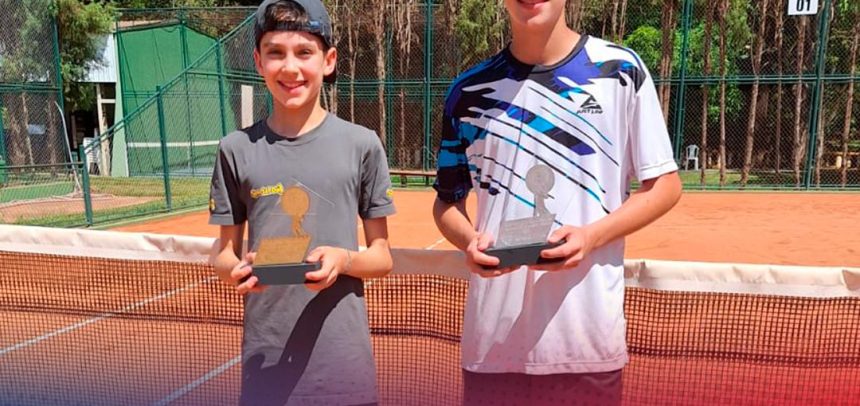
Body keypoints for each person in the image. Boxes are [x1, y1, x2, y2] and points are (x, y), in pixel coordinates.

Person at [432, 0, 682, 404]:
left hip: (586, 345)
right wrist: (469, 241)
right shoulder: (466, 92)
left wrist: (591, 236)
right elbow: (447, 203)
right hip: (492, 348)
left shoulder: (621, 71)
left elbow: (665, 185)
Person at [209, 1, 395, 404]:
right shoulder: (234, 149)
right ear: (258, 62)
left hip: (345, 372)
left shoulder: (362, 144)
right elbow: (223, 254)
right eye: (276, 52)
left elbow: (382, 257)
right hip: (266, 368)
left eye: (304, 52)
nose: (290, 68)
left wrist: (343, 260)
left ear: (328, 61)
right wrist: (237, 270)